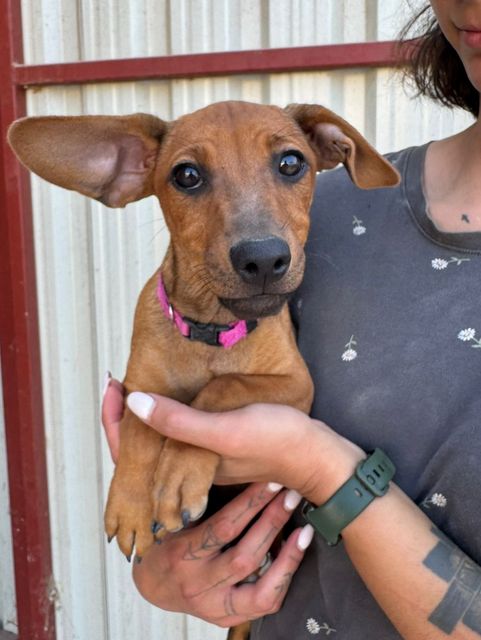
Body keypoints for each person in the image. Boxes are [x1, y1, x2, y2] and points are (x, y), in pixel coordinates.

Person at [102, 2, 481, 637]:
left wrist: (318, 465)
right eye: (191, 176)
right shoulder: (314, 219)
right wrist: (171, 565)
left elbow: (273, 403)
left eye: (287, 167)